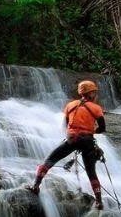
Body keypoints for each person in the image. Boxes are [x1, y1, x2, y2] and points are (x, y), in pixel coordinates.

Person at [29, 79, 108, 209]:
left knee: (50, 160)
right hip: (88, 141)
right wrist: (90, 131)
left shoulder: (70, 105)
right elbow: (102, 128)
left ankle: (36, 186)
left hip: (72, 139)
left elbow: (65, 125)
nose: (96, 95)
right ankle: (99, 201)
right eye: (94, 92)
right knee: (91, 172)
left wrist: (74, 133)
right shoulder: (96, 108)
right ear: (90, 94)